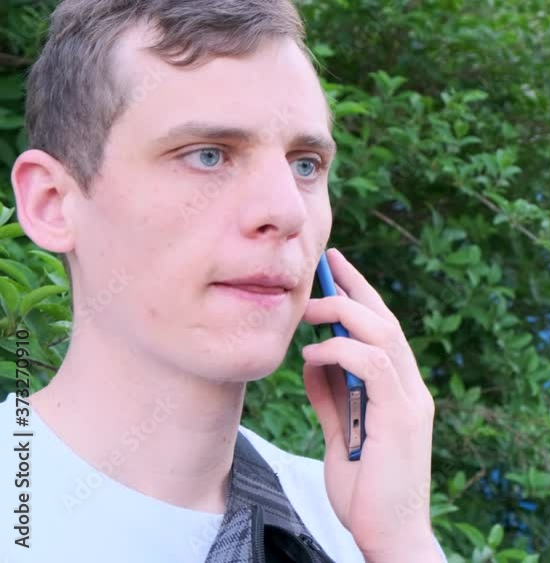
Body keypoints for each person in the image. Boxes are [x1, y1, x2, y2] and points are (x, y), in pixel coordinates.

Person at [3, 0, 442, 561]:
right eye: (208, 155)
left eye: (305, 164)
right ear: (52, 204)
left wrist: (400, 542)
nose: (287, 211)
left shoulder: (353, 521)